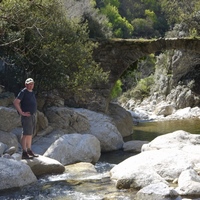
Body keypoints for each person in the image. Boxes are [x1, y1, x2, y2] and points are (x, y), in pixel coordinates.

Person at [13, 78, 39, 159]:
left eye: (32, 84)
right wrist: (21, 112)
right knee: (25, 134)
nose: (30, 85)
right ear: (26, 84)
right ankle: (24, 152)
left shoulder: (32, 92)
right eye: (29, 84)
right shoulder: (23, 92)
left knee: (30, 133)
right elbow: (16, 102)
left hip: (32, 115)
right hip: (26, 116)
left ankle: (29, 150)